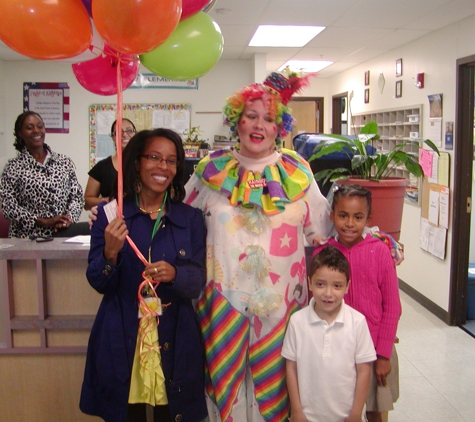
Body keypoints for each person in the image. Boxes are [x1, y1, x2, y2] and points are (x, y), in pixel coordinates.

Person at [184, 72, 334, 422]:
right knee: (224, 391)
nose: (258, 125)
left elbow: (325, 230)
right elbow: (181, 221)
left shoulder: (298, 171)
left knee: (279, 390)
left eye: (268, 119)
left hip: (283, 306)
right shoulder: (211, 170)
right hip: (221, 303)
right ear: (236, 119)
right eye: (251, 115)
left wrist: (372, 240)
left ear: (280, 128)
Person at [80, 128, 208, 422]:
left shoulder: (189, 219)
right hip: (122, 335)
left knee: (172, 413)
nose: (163, 167)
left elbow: (198, 282)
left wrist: (175, 274)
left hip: (175, 337)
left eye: (171, 160)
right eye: (154, 157)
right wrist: (110, 253)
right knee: (126, 413)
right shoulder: (111, 216)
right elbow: (99, 281)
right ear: (137, 162)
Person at [313, 184, 402, 422]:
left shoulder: (380, 252)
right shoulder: (323, 254)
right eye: (343, 216)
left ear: (368, 219)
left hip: (374, 350)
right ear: (332, 216)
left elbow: (393, 307)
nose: (350, 223)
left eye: (358, 217)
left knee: (374, 410)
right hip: (338, 351)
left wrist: (383, 354)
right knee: (341, 411)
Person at [282, 245, 376, 422]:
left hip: (347, 417)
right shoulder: (297, 321)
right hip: (307, 418)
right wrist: (297, 412)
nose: (328, 293)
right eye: (320, 284)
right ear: (309, 283)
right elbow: (291, 368)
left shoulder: (357, 322)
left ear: (347, 286)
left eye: (337, 286)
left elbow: (364, 371)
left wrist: (356, 414)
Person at [0, 111, 84, 238]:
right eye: (29, 127)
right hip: (26, 239)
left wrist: (68, 219)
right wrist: (42, 221)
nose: (36, 130)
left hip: (62, 236)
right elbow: (7, 206)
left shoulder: (63, 162)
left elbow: (77, 196)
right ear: (20, 133)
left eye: (40, 126)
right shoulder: (13, 167)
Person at [84, 118, 136, 210]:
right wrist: (110, 200)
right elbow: (86, 203)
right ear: (112, 137)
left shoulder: (145, 164)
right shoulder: (102, 167)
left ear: (135, 134)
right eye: (119, 132)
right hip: (111, 221)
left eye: (129, 130)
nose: (124, 135)